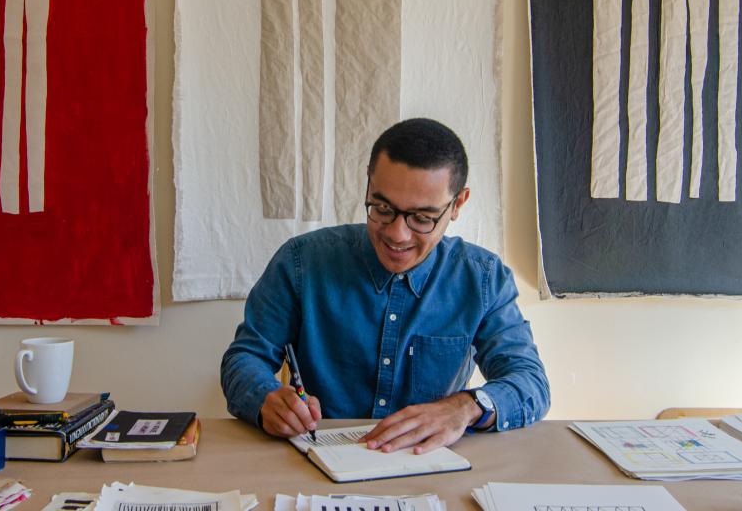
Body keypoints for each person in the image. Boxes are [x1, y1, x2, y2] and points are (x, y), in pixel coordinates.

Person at [220, 118, 550, 454]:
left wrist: (465, 407)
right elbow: (245, 358)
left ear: (458, 205)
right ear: (368, 184)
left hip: (428, 465)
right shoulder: (301, 262)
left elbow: (530, 383)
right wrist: (266, 397)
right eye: (382, 208)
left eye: (422, 218)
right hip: (319, 459)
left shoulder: (482, 279)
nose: (397, 234)